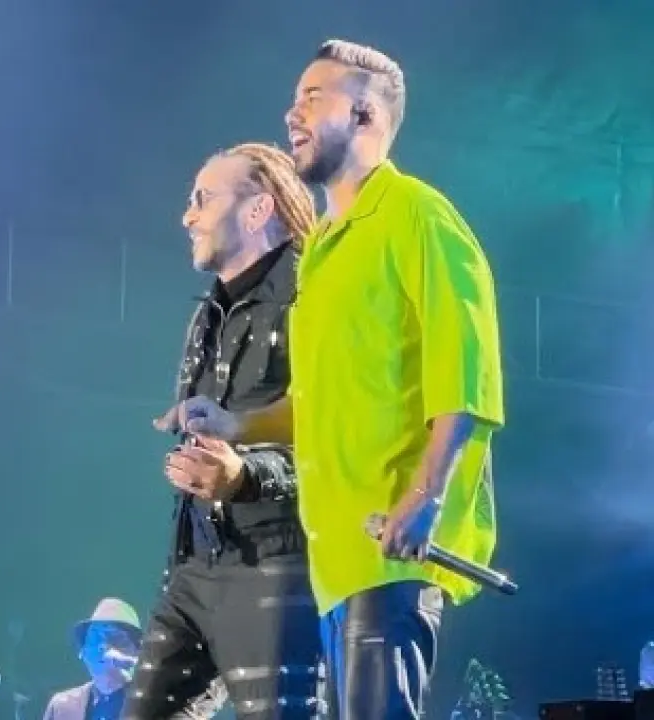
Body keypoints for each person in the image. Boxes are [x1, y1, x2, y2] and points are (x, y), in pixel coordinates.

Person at [283, 39, 505, 718]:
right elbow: (316, 399)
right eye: (294, 98)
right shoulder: (319, 248)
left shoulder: (417, 212)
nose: (292, 113)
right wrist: (233, 426)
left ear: (365, 115)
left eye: (312, 97)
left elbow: (466, 368)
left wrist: (425, 495)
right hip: (334, 560)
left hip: (390, 547)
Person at [122, 144, 324, 720]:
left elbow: (337, 433)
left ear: (258, 210)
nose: (187, 216)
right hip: (195, 563)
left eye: (202, 200)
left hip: (279, 563)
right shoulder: (207, 312)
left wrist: (246, 476)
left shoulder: (314, 295)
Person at [43, 598, 143, 720]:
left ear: (138, 651)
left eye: (116, 638)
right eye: (95, 637)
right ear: (82, 652)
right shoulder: (61, 707)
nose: (104, 647)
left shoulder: (153, 702)